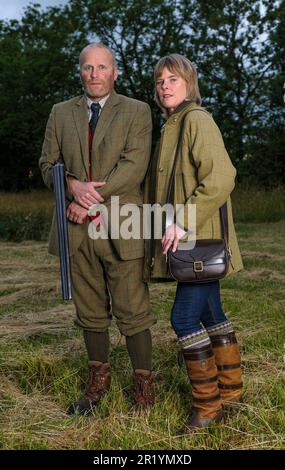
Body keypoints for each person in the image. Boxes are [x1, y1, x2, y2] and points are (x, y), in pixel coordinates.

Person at [39, 43, 156, 415]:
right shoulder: (60, 113)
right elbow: (47, 164)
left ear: (115, 72)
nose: (94, 74)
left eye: (102, 67)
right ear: (80, 71)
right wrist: (72, 186)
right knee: (89, 311)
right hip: (76, 232)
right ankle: (97, 384)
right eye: (88, 68)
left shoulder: (137, 111)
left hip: (122, 225)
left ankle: (143, 386)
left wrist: (85, 200)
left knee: (132, 309)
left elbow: (133, 168)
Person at [144, 53, 243, 432]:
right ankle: (231, 394)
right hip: (190, 241)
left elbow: (221, 177)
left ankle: (207, 407)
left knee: (183, 317)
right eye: (159, 81)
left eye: (173, 79)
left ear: (189, 83)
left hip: (197, 239)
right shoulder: (171, 125)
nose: (165, 86)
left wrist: (182, 222)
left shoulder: (196, 120)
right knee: (210, 314)